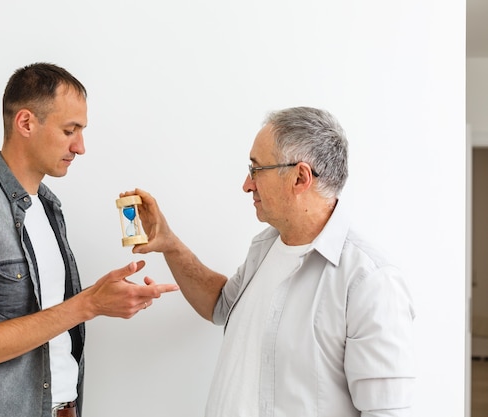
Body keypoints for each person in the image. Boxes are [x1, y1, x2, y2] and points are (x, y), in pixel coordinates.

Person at [0, 62, 179, 417]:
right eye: (70, 130)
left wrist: (106, 297)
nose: (81, 146)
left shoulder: (49, 206)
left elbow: (53, 322)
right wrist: (90, 304)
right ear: (25, 123)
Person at [123, 107, 415, 417]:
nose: (247, 185)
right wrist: (169, 243)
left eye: (256, 169)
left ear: (300, 177)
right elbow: (221, 305)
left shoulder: (370, 281)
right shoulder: (265, 247)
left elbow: (387, 412)